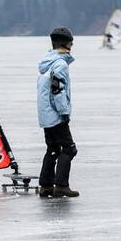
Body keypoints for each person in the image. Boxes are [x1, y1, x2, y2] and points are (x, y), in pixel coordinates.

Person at [36, 27, 79, 198]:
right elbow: (58, 90)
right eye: (71, 42)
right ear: (66, 44)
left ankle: (46, 186)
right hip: (56, 115)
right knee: (69, 149)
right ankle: (61, 185)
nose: (72, 45)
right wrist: (64, 112)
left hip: (45, 115)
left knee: (53, 148)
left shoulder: (47, 63)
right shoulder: (60, 64)